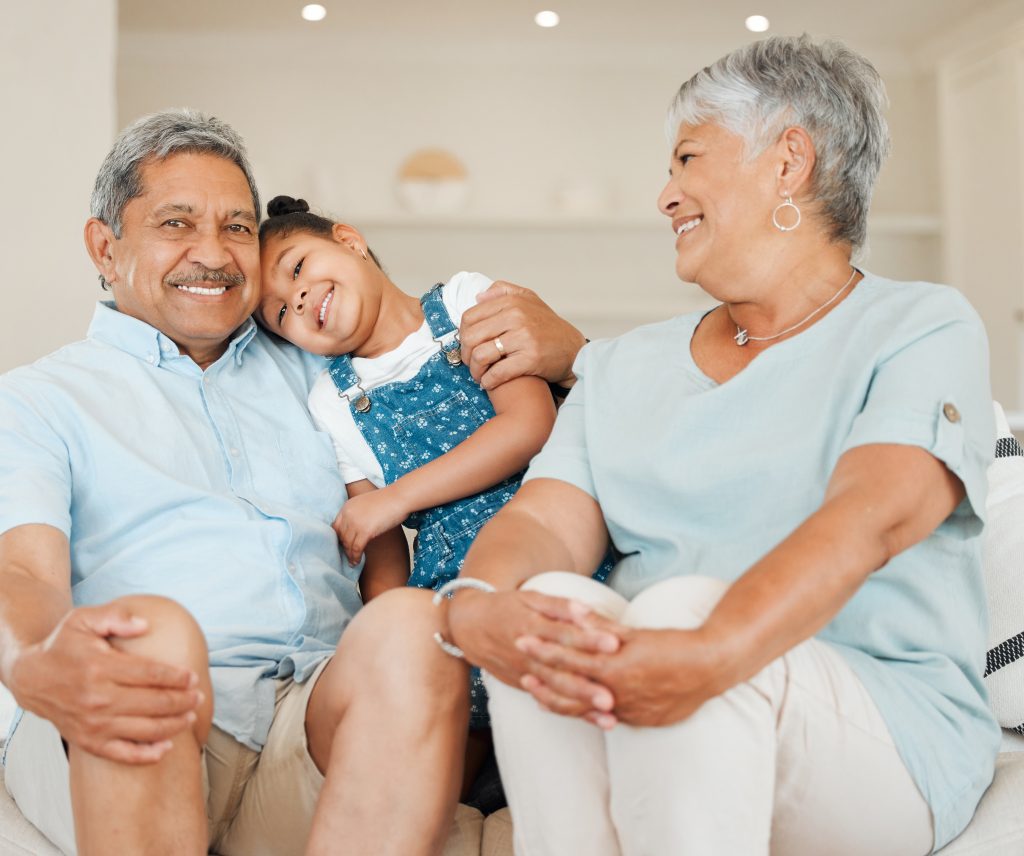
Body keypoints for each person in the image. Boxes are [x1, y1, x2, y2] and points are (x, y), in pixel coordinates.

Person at [427, 35, 1002, 855]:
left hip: (880, 729)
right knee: (553, 618)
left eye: (689, 158)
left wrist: (706, 654)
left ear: (788, 161)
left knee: (676, 609)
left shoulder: (919, 326)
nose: (665, 196)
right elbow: (547, 525)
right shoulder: (626, 365)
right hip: (655, 696)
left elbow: (874, 514)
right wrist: (476, 603)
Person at [0, 109, 580, 856]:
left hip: (309, 725)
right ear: (104, 248)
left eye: (237, 228)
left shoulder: (324, 367)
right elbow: (20, 568)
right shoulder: (39, 398)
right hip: (152, 706)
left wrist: (569, 358)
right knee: (147, 635)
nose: (213, 254)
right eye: (177, 224)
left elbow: (472, 398)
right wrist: (32, 655)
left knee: (409, 626)